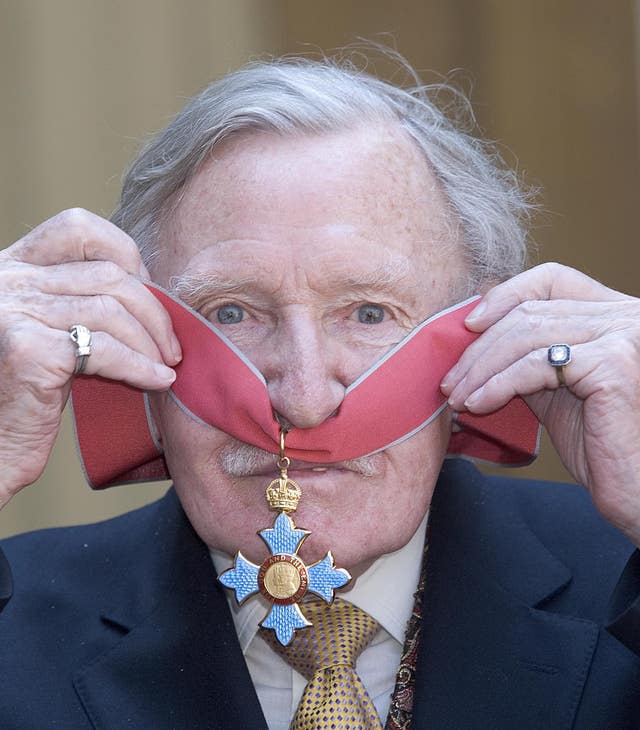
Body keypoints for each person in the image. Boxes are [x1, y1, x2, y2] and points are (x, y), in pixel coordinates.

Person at [1, 50, 640, 730]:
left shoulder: (620, 578)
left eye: (368, 314)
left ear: (492, 338)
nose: (303, 400)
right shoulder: (17, 630)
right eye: (231, 313)